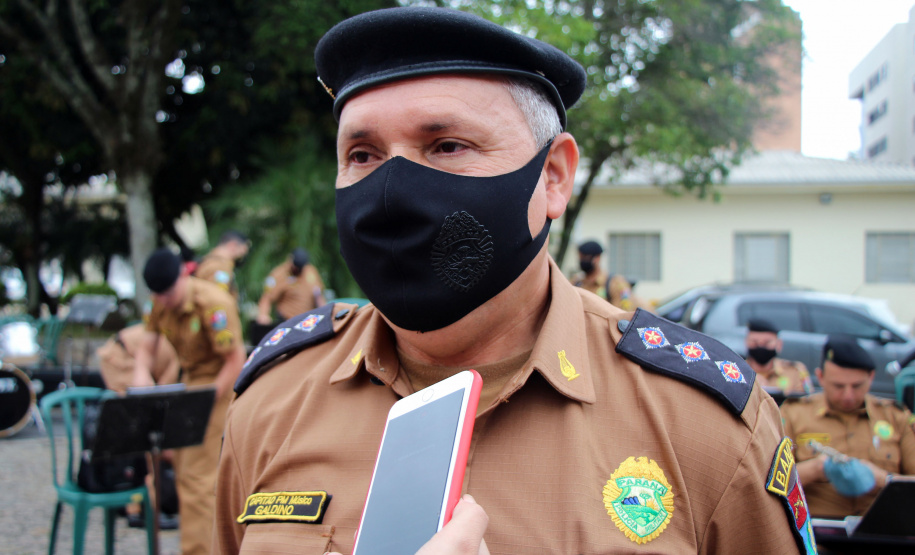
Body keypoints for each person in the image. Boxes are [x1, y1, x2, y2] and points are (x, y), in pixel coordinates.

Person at [213, 7, 815, 554]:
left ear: (553, 177)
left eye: (447, 145)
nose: (391, 193)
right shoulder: (271, 403)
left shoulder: (700, 425)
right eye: (363, 155)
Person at [134, 248, 245, 555]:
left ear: (182, 275)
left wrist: (203, 404)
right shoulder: (158, 302)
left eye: (168, 293)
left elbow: (236, 361)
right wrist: (141, 372)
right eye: (158, 295)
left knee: (197, 482)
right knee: (184, 474)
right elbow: (146, 346)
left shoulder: (213, 304)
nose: (164, 301)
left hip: (219, 387)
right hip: (188, 386)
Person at [781, 335, 915, 517]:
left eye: (857, 386)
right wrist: (816, 469)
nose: (848, 395)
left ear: (871, 377)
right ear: (820, 377)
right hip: (816, 533)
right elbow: (769, 482)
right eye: (838, 386)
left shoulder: (895, 416)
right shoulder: (793, 414)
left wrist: (884, 480)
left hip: (881, 534)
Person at [255, 248, 326, 325]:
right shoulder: (278, 274)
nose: (296, 269)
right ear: (290, 259)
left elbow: (318, 296)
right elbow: (267, 298)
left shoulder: (311, 272)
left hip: (308, 322)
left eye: (299, 267)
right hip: (287, 322)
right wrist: (263, 315)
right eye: (295, 265)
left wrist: (325, 313)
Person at [744, 318, 813, 396]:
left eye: (767, 343)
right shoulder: (739, 371)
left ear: (779, 344)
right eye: (755, 342)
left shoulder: (795, 371)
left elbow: (808, 401)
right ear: (746, 342)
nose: (761, 346)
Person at [194, 230, 250, 299]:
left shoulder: (206, 260)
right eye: (242, 251)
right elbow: (217, 298)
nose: (242, 256)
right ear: (233, 245)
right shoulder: (221, 267)